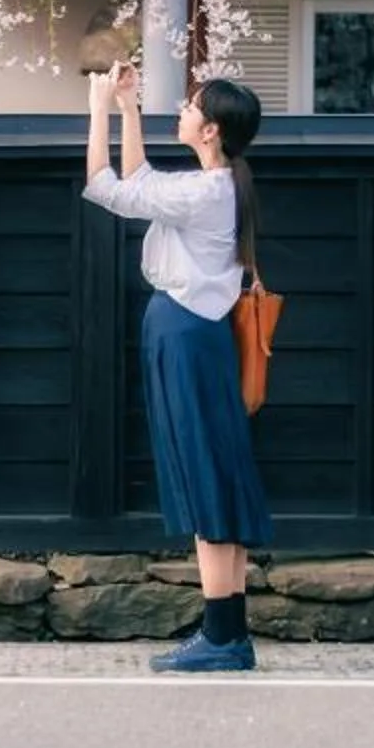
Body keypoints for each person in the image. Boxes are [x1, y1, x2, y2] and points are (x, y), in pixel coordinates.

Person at [82, 59, 274, 673]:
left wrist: (97, 112)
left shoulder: (203, 192)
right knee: (212, 469)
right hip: (193, 333)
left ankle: (222, 639)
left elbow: (111, 188)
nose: (184, 112)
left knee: (204, 473)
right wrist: (129, 108)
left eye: (192, 106)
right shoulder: (214, 188)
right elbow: (139, 178)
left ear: (212, 129)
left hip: (185, 333)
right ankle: (228, 635)